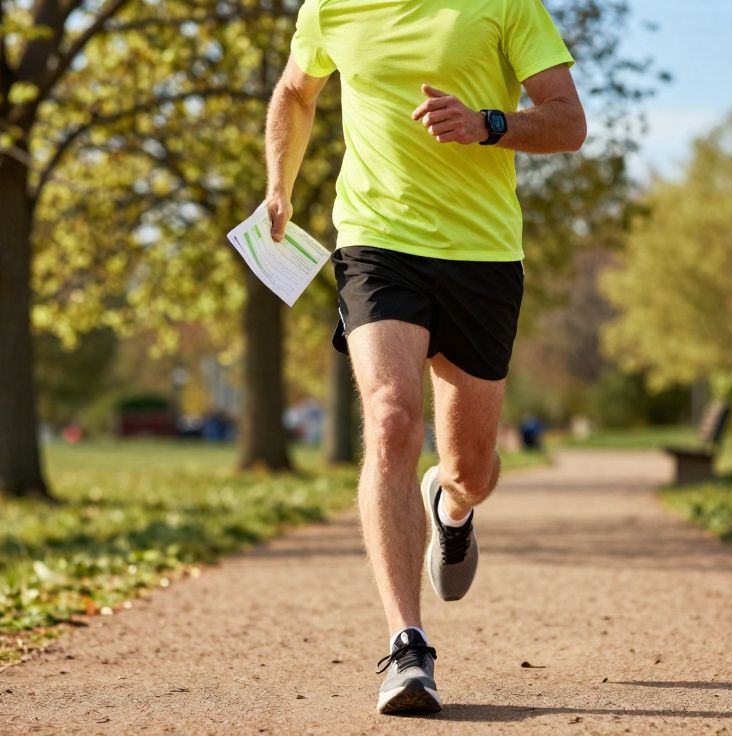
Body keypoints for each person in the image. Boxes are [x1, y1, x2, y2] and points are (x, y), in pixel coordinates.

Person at [264, 0, 585, 716]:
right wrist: (279, 184)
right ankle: (407, 645)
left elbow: (569, 122)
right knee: (390, 420)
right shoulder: (331, 7)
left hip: (483, 254)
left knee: (474, 468)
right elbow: (295, 91)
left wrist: (489, 125)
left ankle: (453, 503)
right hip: (376, 241)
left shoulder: (506, 5)